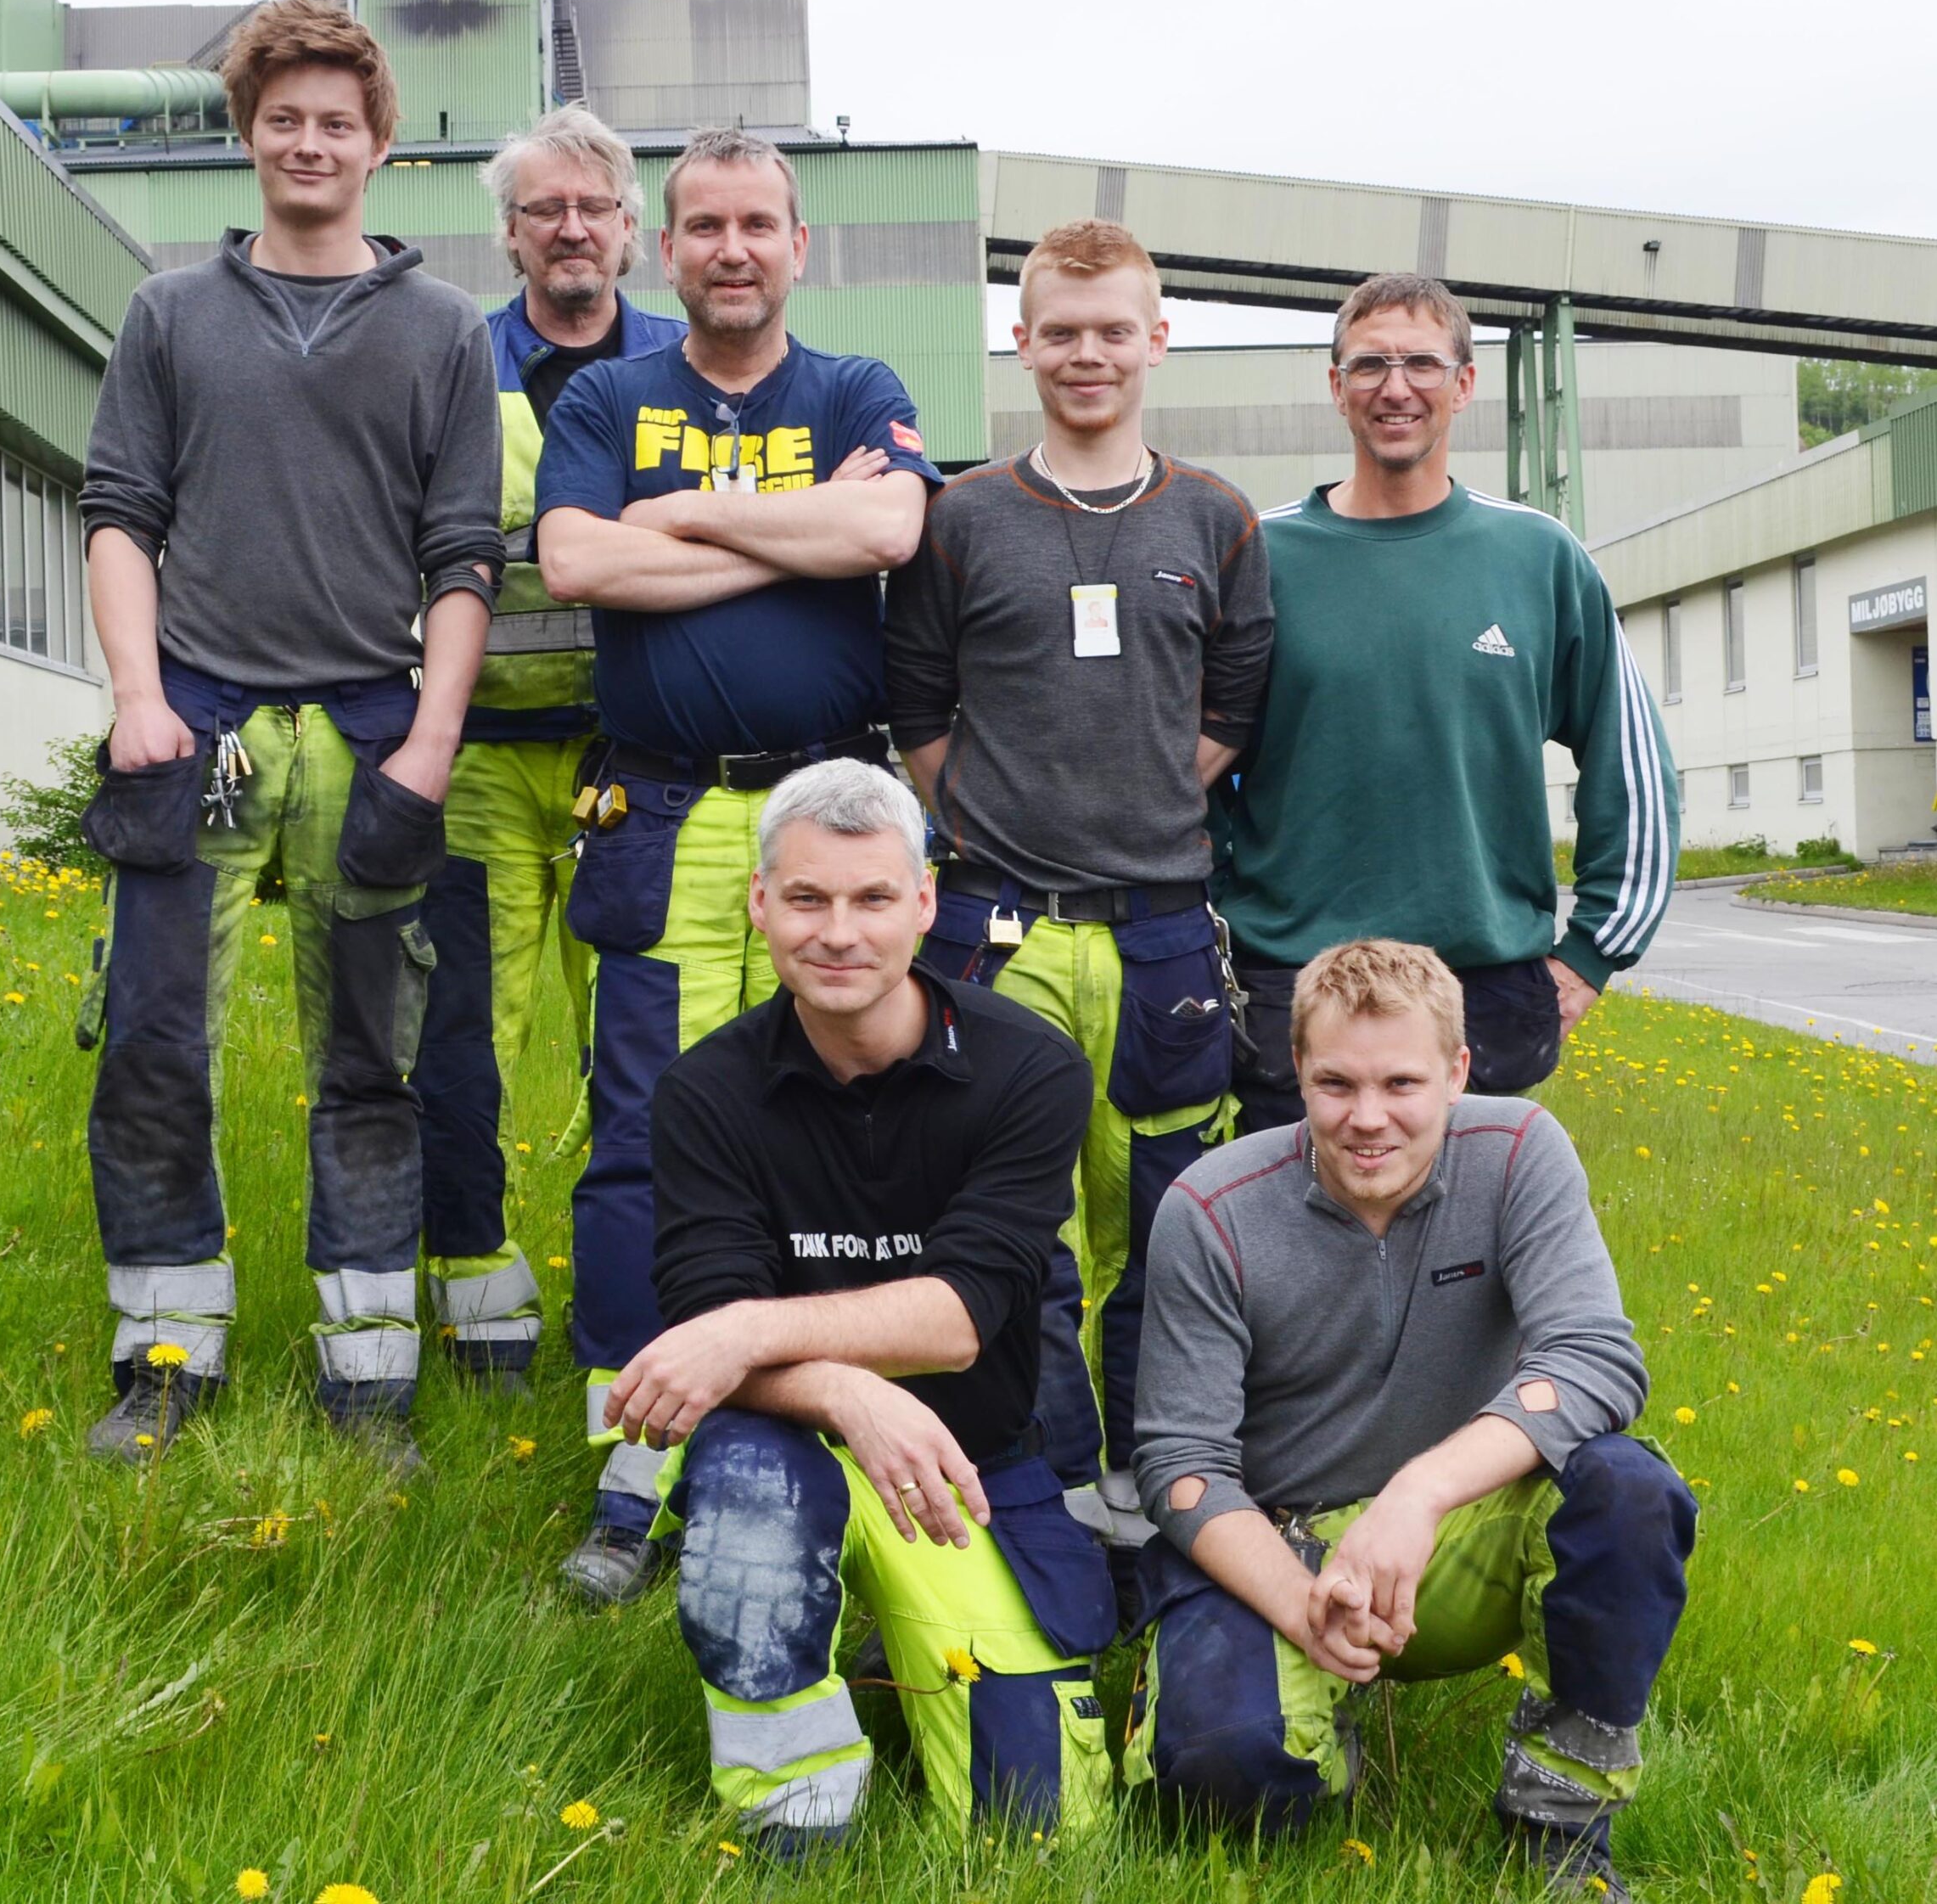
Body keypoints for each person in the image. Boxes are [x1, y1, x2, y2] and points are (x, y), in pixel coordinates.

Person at [75, 0, 502, 1468]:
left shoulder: (446, 333)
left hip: (375, 723)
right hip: (196, 719)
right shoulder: (168, 317)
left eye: (338, 121)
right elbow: (120, 517)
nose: (309, 142)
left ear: (379, 146)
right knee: (151, 1045)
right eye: (284, 119)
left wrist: (432, 743)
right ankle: (166, 1354)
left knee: (373, 1058)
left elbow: (465, 560)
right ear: (248, 135)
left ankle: (369, 1378)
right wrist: (138, 699)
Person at [533, 127, 940, 1599]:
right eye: (703, 224)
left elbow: (891, 521)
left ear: (797, 242)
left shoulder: (856, 391)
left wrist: (690, 516)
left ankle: (802, 1429)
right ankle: (634, 1468)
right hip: (670, 823)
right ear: (668, 245)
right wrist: (800, 539)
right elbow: (578, 564)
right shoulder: (609, 395)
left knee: (833, 1140)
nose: (730, 249)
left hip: (831, 822)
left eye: (756, 223)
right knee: (647, 1143)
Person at [606, 759, 1115, 1856]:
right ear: (759, 905)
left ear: (924, 905)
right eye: (806, 899)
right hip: (783, 1439)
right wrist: (840, 1389)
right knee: (743, 1509)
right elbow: (704, 1330)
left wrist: (754, 1329)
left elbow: (961, 1318)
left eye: (872, 899)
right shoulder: (704, 1092)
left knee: (1033, 1831)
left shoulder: (1030, 1071)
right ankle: (793, 1826)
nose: (838, 933)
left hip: (967, 1450)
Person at [1129, 940, 1694, 1899]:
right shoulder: (1209, 1207)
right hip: (1279, 1547)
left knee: (1631, 1493)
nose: (1368, 1118)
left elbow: (1596, 1358)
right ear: (1295, 1071)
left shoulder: (1518, 1151)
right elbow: (1181, 1463)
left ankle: (1563, 1813)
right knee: (1223, 1779)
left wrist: (1418, 1493)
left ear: (1459, 1071)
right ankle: (1307, 1733)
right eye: (1335, 1082)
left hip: (1450, 1533)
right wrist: (1302, 1608)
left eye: (1402, 1081)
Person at [885, 218, 1271, 1559]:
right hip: (995, 937)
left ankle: (1156, 1497)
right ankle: (1042, 1495)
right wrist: (1008, 817)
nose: (1088, 354)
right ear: (1022, 342)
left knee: (1161, 1240)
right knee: (1017, 1242)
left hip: (1161, 939)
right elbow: (919, 709)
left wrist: (1134, 798)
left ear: (1157, 340)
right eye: (1062, 331)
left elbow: (1229, 711)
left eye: (1115, 330)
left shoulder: (1214, 518)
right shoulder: (961, 517)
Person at [1210, 273, 1677, 1133]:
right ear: (1336, 387)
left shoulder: (1538, 557)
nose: (1396, 388)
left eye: (1423, 363)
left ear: (1464, 384)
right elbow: (1191, 766)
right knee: (1296, 1258)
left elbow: (1633, 766)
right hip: (1293, 988)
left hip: (1484, 993)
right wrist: (1216, 934)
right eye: (1370, 365)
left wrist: (1589, 956)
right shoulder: (1257, 558)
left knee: (1469, 1262)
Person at [407, 106, 682, 1382]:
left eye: (594, 207)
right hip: (480, 767)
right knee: (462, 1034)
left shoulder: (696, 370)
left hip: (636, 762)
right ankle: (474, 1286)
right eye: (543, 209)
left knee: (644, 1042)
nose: (570, 228)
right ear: (510, 234)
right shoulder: (453, 364)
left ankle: (657, 1287)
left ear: (632, 229)